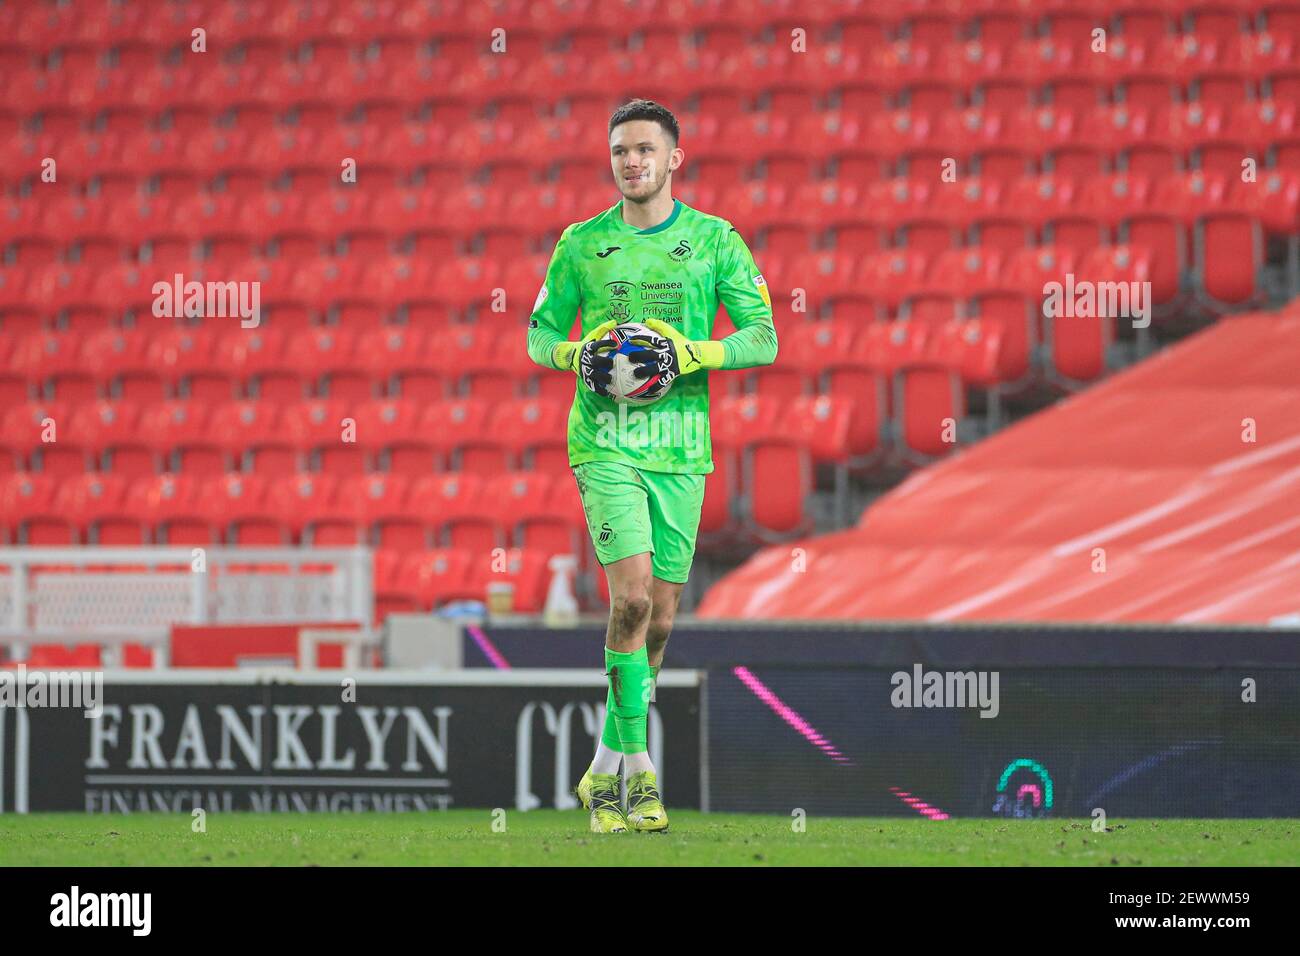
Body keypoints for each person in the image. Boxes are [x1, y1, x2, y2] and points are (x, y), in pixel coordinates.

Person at [525, 99, 778, 832]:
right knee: (630, 598)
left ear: (674, 158)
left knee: (662, 619)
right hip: (604, 443)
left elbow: (764, 336)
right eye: (619, 152)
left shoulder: (714, 241)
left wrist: (697, 352)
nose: (631, 161)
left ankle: (601, 765)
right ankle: (639, 777)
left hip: (680, 449)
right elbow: (539, 333)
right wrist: (574, 354)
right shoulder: (581, 244)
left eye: (644, 150)